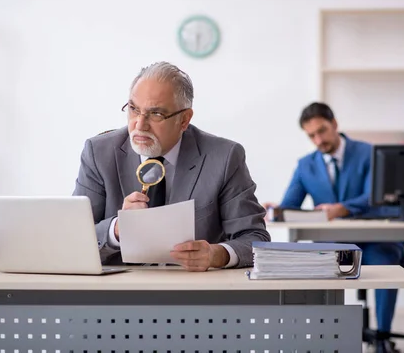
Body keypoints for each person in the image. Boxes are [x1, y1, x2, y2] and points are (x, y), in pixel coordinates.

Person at [73, 61, 270, 271]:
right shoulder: (99, 153)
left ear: (184, 120)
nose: (140, 124)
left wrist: (217, 254)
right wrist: (117, 229)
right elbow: (74, 238)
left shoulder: (224, 157)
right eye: (133, 109)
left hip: (194, 293)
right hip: (118, 294)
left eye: (156, 114)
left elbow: (255, 238)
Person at [263, 102, 403, 351]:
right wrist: (276, 209)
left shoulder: (369, 153)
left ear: (335, 124)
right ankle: (326, 337)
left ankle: (382, 337)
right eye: (311, 135)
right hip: (332, 245)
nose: (318, 140)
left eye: (322, 131)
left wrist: (342, 208)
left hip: (374, 241)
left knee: (386, 263)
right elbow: (291, 205)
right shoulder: (306, 165)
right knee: (314, 268)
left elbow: (377, 195)